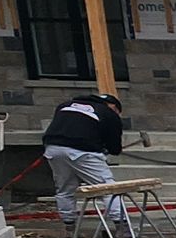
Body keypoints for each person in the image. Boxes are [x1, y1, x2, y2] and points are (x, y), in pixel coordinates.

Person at [41, 89, 134, 224]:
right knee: (107, 188)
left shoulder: (65, 105)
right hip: (83, 151)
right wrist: (107, 149)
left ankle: (70, 228)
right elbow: (114, 147)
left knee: (65, 189)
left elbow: (71, 126)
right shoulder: (108, 113)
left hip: (53, 149)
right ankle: (123, 227)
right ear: (114, 108)